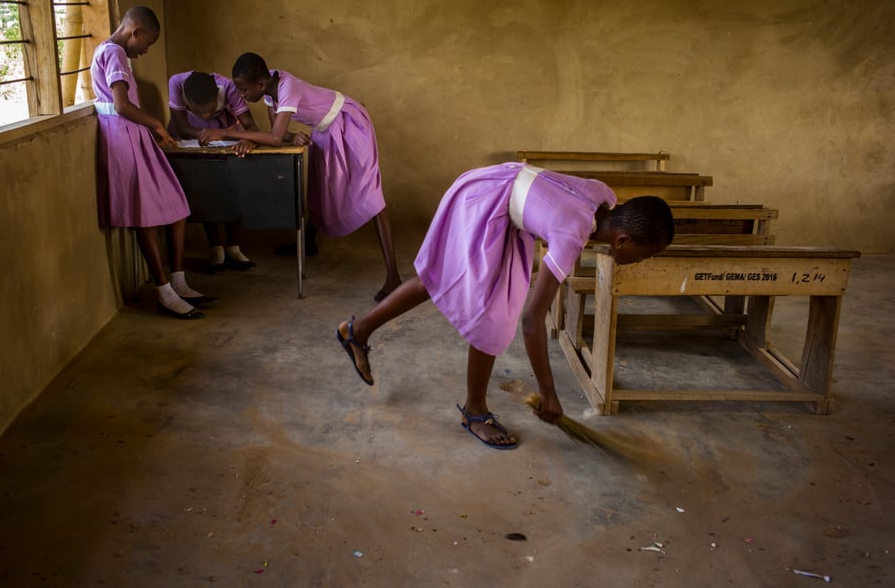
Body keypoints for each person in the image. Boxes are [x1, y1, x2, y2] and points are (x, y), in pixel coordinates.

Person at [335, 162, 675, 449]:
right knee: (492, 315)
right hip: (484, 200)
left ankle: (357, 330)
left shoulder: (604, 195)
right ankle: (475, 411)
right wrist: (548, 392)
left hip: (502, 193)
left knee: (451, 282)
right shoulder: (571, 236)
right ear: (622, 240)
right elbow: (532, 321)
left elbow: (555, 208)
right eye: (645, 255)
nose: (641, 261)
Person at [197, 52, 402, 302]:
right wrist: (289, 136)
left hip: (348, 122)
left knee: (370, 193)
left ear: (260, 85)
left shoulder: (287, 88)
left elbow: (273, 137)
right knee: (317, 188)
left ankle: (393, 277)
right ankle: (308, 243)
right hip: (324, 129)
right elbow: (279, 135)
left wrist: (225, 134)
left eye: (243, 90)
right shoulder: (268, 86)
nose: (240, 96)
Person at [91, 6, 214, 320]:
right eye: (148, 42)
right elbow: (120, 105)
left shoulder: (116, 53)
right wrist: (157, 124)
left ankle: (178, 280)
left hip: (135, 136)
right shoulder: (115, 53)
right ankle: (164, 292)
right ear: (135, 31)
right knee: (144, 218)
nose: (146, 50)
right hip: (123, 138)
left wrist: (149, 129)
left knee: (176, 205)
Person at [167, 70, 258, 273]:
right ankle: (216, 249)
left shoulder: (228, 88)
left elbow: (251, 125)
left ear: (217, 97)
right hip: (192, 138)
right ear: (187, 102)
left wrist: (245, 138)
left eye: (209, 111)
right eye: (200, 113)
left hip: (226, 133)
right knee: (205, 187)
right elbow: (182, 128)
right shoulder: (176, 83)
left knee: (230, 186)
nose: (206, 116)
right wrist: (206, 134)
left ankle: (233, 247)